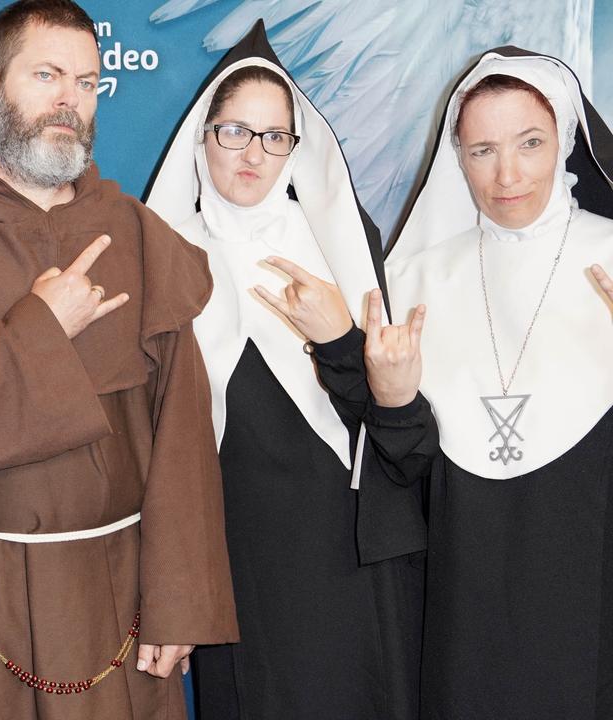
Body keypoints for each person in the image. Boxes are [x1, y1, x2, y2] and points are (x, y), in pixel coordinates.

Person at [0, 1, 238, 717]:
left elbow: (181, 439)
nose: (70, 100)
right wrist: (40, 329)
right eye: (47, 75)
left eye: (87, 83)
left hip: (111, 598)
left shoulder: (136, 236)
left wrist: (179, 604)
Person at [144, 21, 423, 719]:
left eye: (275, 137)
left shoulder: (340, 248)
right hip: (232, 555)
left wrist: (337, 339)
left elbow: (396, 435)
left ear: (297, 151)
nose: (254, 155)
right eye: (236, 131)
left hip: (344, 548)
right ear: (203, 138)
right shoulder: (162, 260)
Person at [364, 48, 613, 718]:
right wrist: (388, 398)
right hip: (463, 602)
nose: (507, 175)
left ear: (564, 139)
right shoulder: (416, 280)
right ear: (457, 158)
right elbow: (397, 478)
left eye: (529, 143)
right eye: (481, 150)